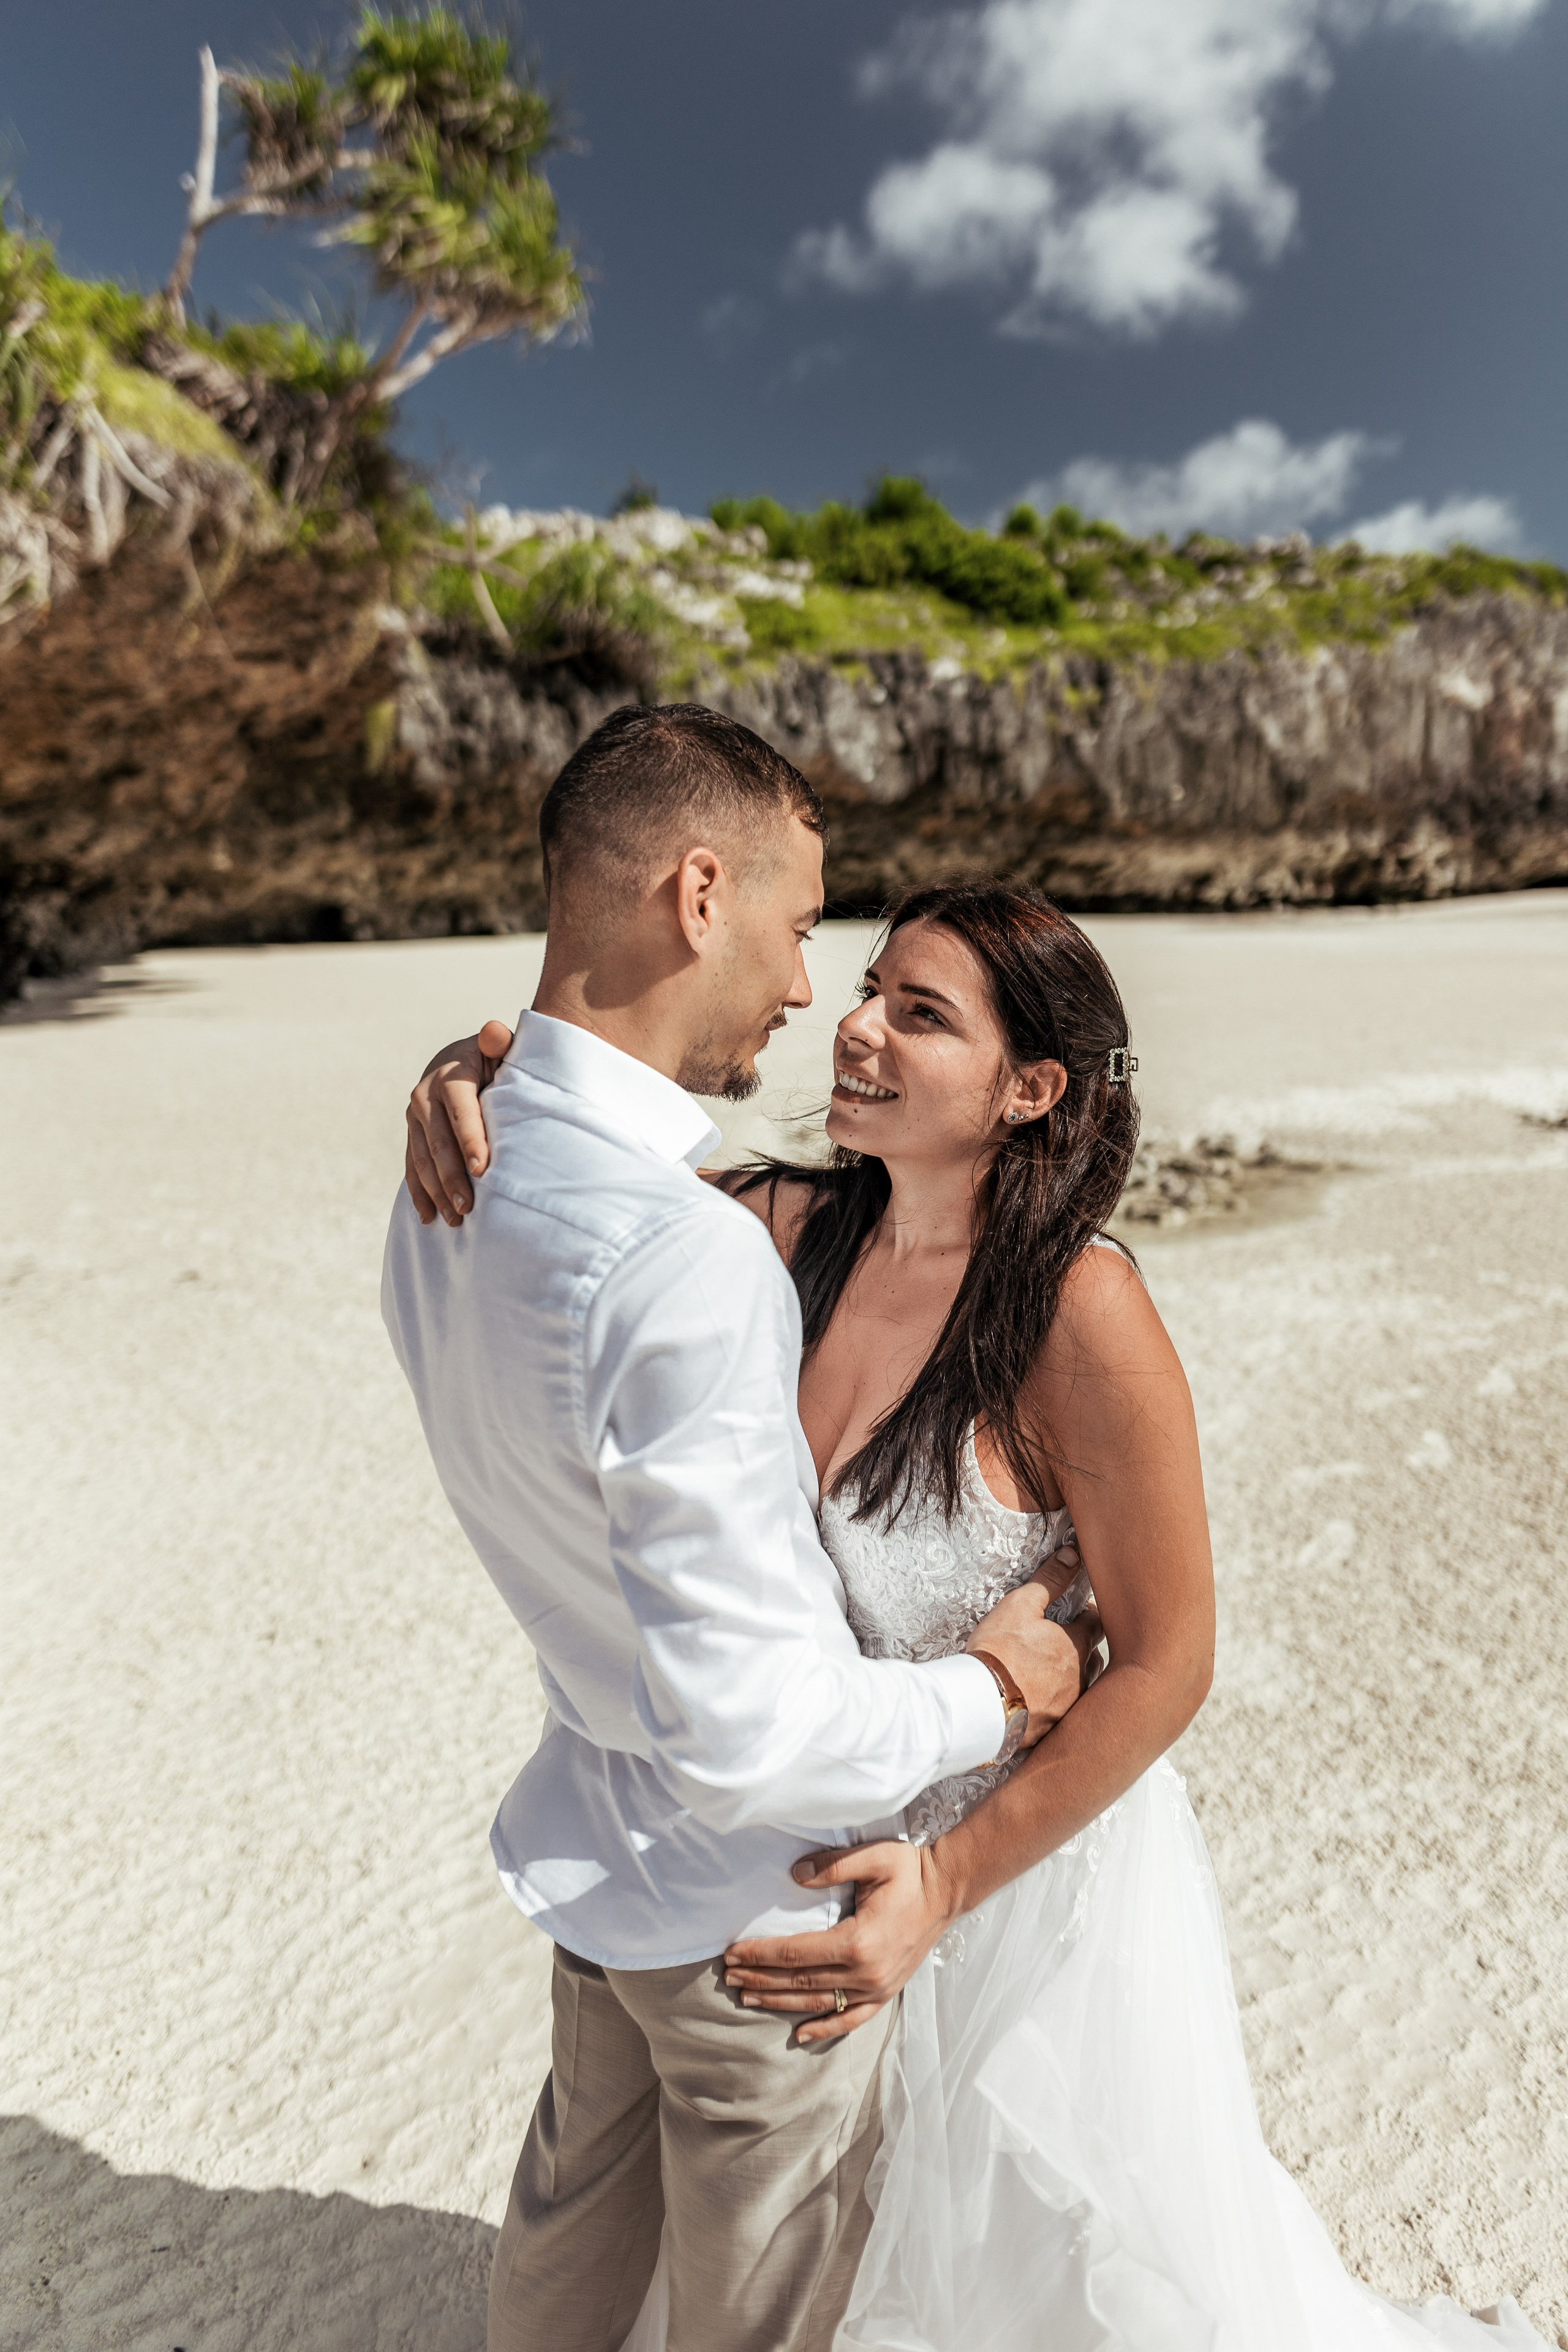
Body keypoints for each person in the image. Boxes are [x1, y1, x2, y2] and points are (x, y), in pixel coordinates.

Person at [405, 811, 1551, 2348]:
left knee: (1041, 2247)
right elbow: (587, 1151)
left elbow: (1166, 1659)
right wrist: (465, 1072)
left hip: (998, 1866)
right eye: (866, 983)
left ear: (1029, 1089)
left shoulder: (1081, 1317)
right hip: (786, 1829)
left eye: (918, 1014)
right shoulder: (774, 1227)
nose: (856, 1026)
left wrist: (943, 1884)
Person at [381, 703, 1099, 2352]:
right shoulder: (697, 1247)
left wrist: (460, 1066)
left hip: (601, 1849)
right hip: (765, 1913)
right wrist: (1002, 1689)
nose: (806, 995)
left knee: (568, 2253)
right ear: (700, 895)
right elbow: (759, 1724)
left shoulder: (453, 1183)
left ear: (1033, 1087)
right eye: (805, 941)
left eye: (904, 1003)